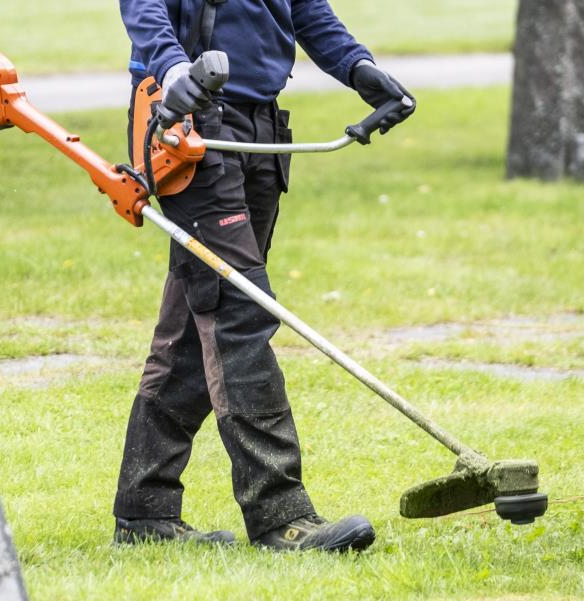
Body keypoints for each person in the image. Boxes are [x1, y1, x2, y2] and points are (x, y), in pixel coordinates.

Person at [112, 0, 415, 552]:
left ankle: (144, 511)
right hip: (186, 120)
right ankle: (281, 515)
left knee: (195, 323)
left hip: (260, 126)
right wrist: (173, 68)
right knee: (239, 312)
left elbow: (303, 8)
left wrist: (356, 66)